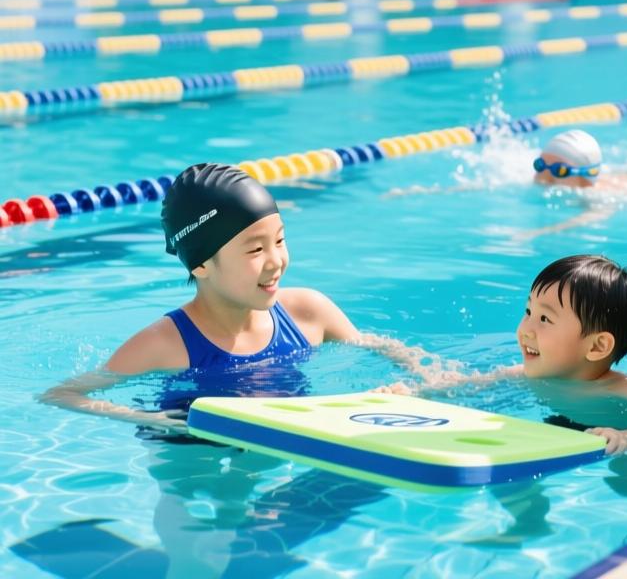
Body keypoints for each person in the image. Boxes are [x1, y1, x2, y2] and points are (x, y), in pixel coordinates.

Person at [40, 162, 423, 432]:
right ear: (202, 264)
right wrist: (154, 421)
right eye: (255, 251)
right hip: (191, 456)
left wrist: (421, 380)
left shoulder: (309, 312)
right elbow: (63, 395)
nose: (276, 261)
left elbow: (376, 347)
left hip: (283, 439)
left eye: (280, 240)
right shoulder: (164, 344)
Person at [380, 254, 627, 455]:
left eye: (544, 319)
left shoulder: (624, 389)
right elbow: (466, 386)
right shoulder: (526, 374)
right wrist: (411, 395)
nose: (525, 329)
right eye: (528, 311)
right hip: (568, 429)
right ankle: (528, 520)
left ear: (596, 347)